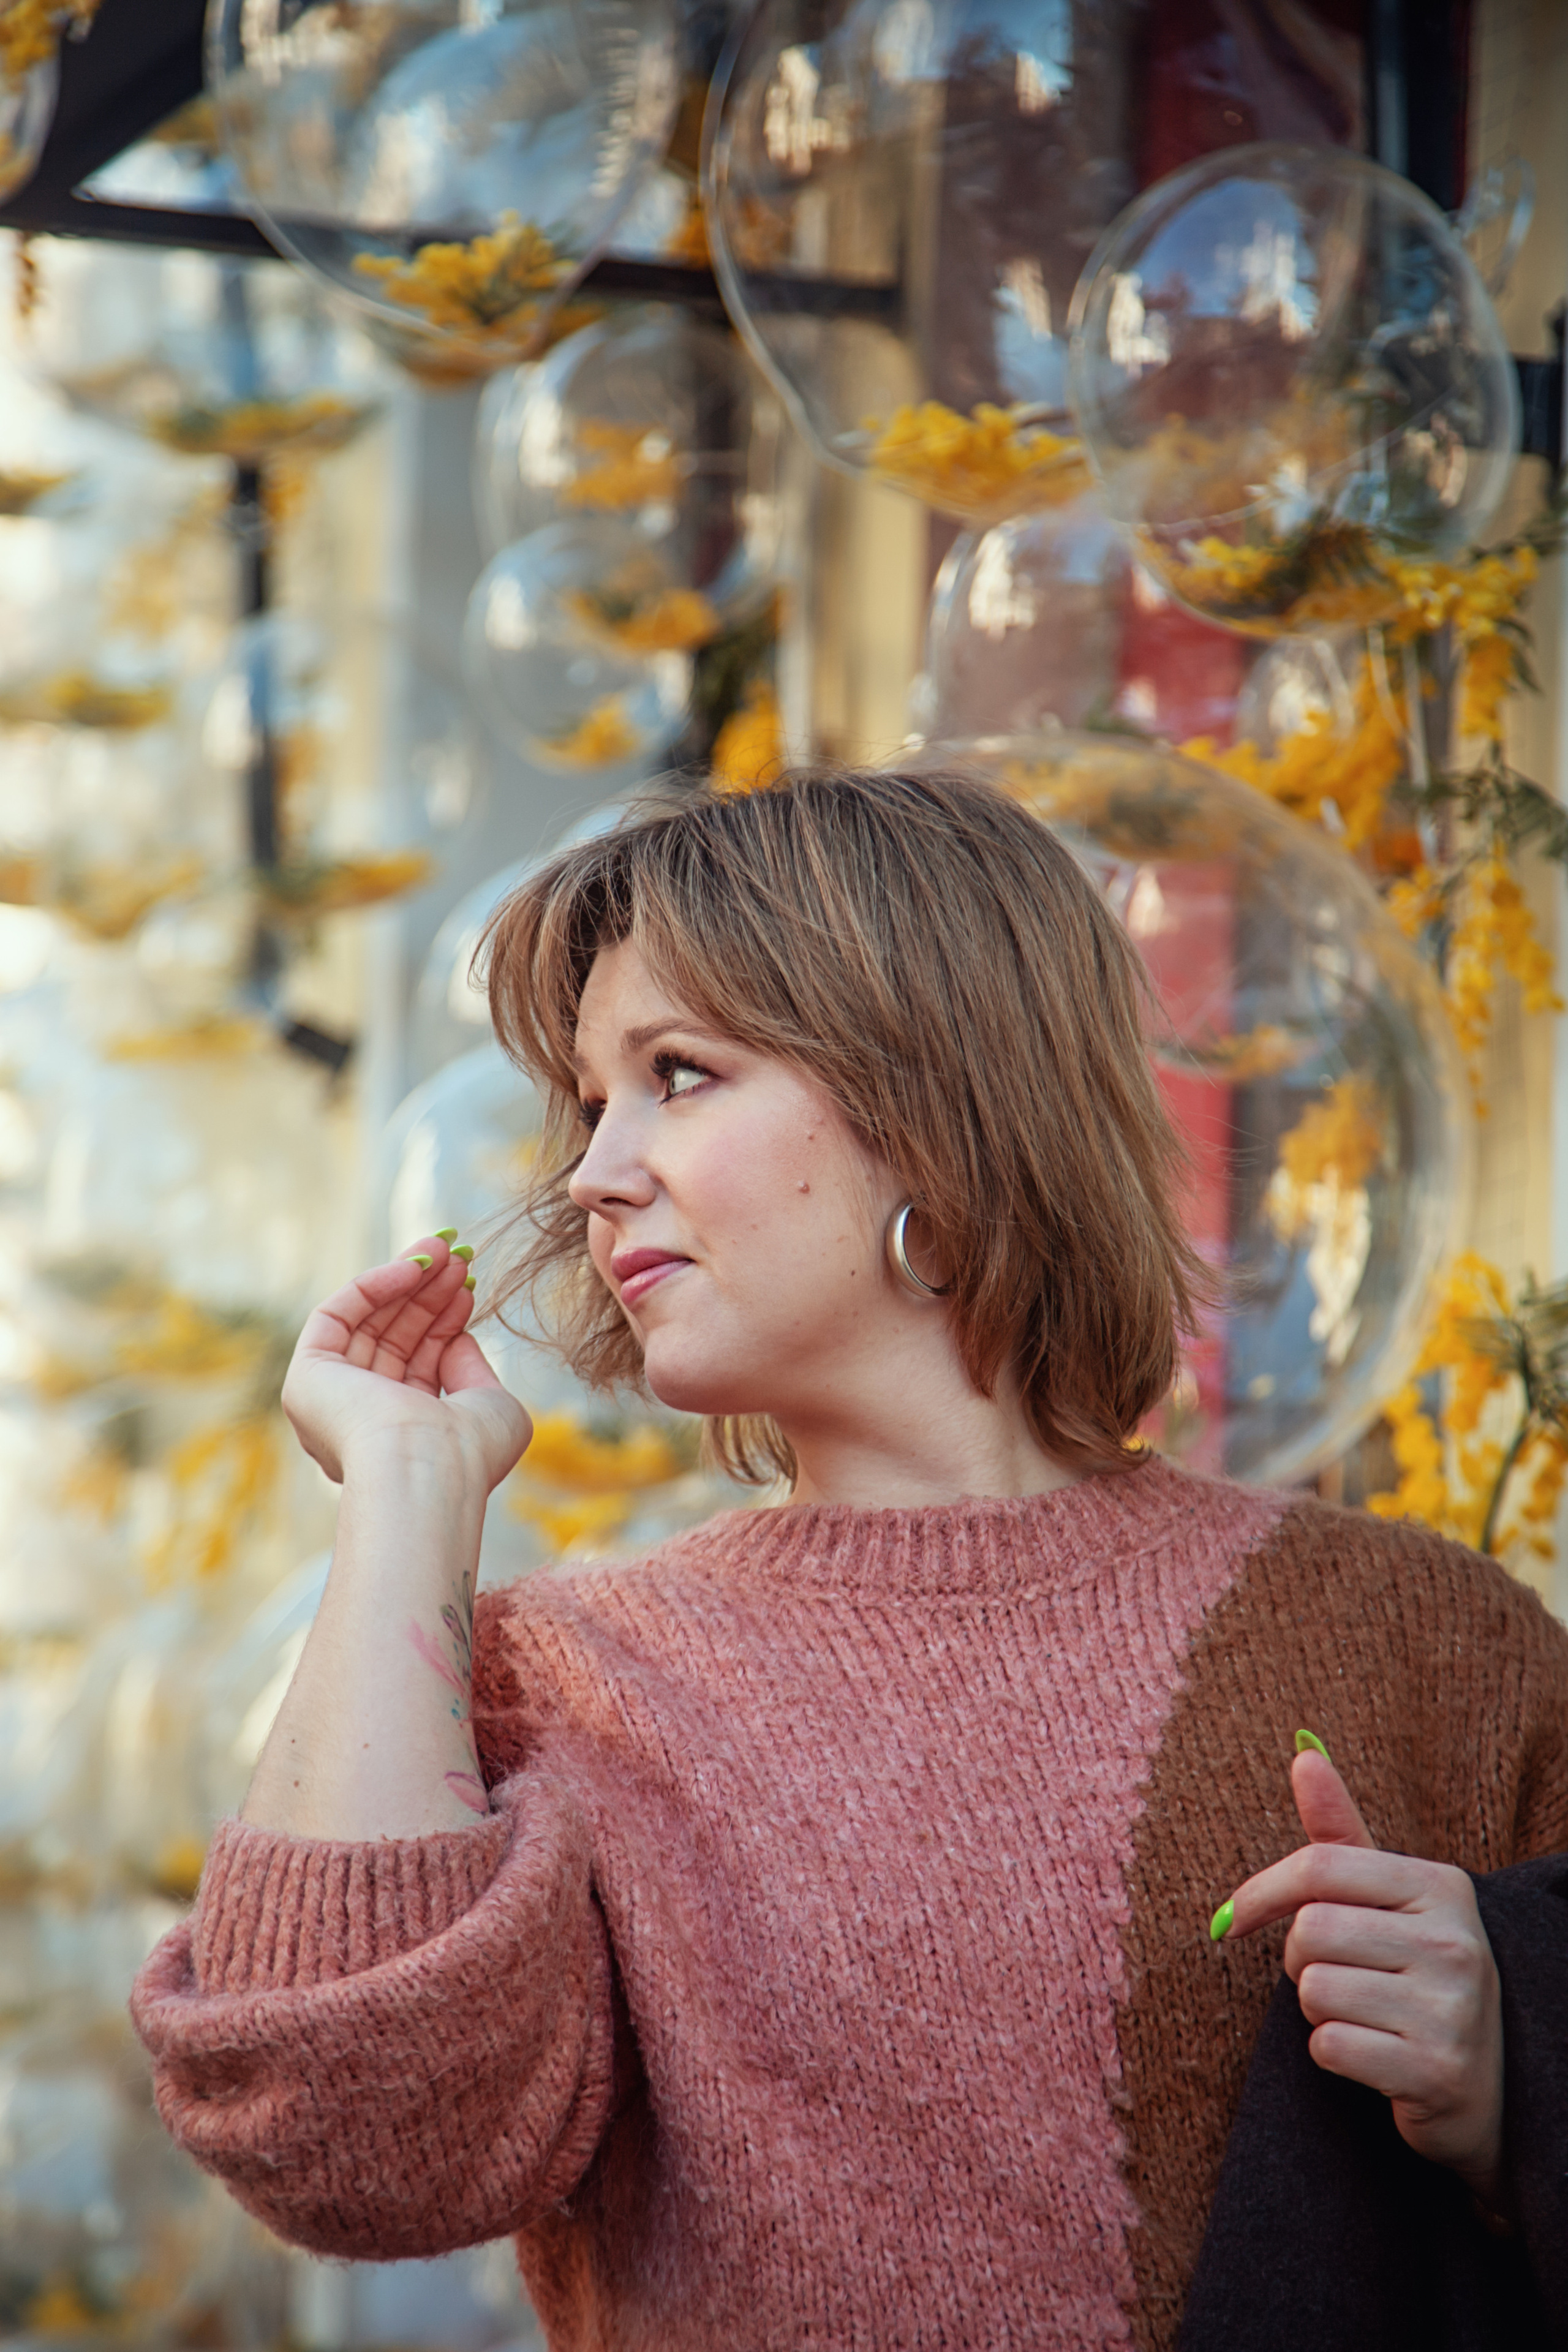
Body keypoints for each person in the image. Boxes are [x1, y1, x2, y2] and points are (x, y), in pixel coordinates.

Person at [132, 768, 1568, 2352]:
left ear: (937, 1106)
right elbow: (337, 2142)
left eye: (678, 1074)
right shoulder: (570, 1684)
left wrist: (1518, 2078)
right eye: (593, 1103)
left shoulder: (1431, 1643)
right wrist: (403, 1498)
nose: (595, 1174)